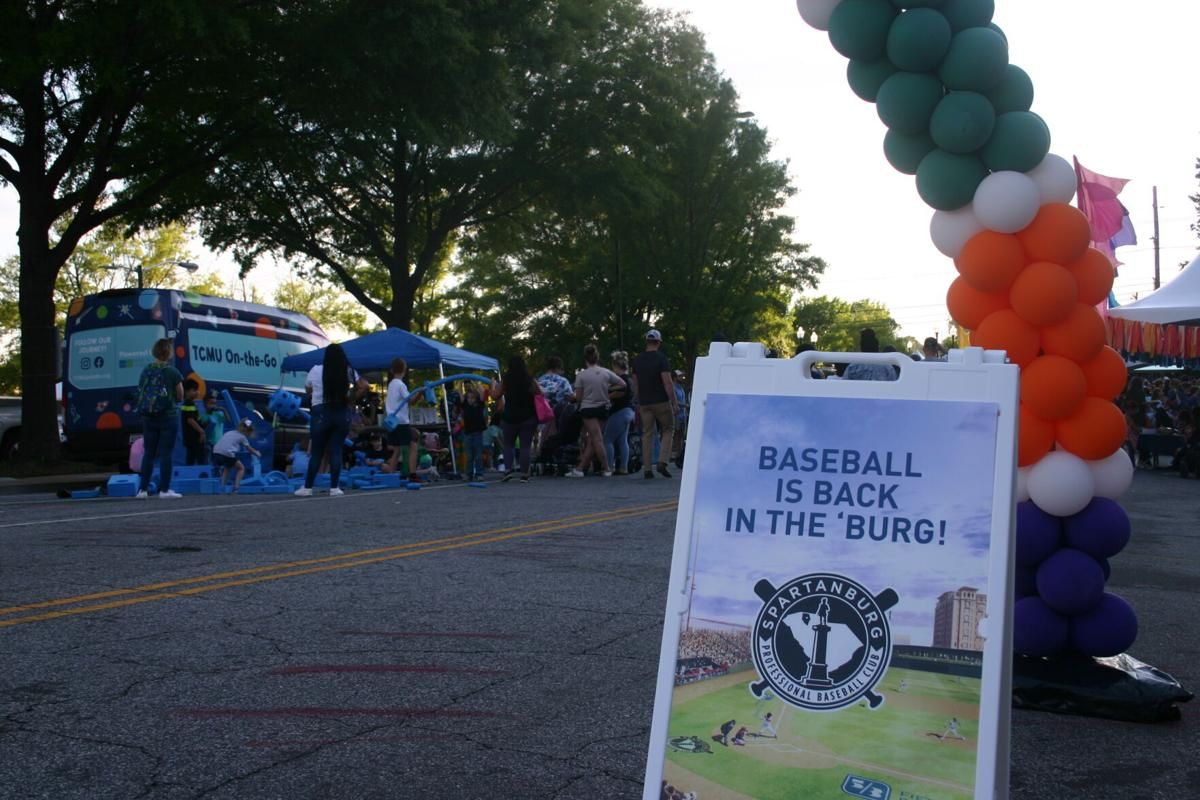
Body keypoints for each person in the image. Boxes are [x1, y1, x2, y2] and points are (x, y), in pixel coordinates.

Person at [295, 342, 366, 497]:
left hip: (320, 413)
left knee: (317, 452)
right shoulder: (347, 370)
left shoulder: (315, 370)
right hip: (341, 412)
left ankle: (307, 488)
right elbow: (363, 386)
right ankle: (334, 488)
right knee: (336, 450)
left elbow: (308, 390)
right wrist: (350, 398)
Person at [134, 338, 185, 499]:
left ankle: (142, 490)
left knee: (148, 453)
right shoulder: (172, 372)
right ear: (168, 352)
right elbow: (180, 394)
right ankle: (164, 490)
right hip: (167, 416)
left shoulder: (146, 370)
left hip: (148, 417)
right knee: (165, 453)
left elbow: (140, 390)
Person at [566, 344, 625, 478]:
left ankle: (606, 467)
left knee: (596, 439)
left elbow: (579, 397)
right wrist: (608, 389)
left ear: (585, 359)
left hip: (588, 408)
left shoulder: (581, 375)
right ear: (597, 357)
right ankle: (580, 468)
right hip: (603, 408)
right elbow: (622, 384)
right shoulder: (606, 372)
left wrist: (574, 398)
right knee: (594, 440)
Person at [631, 329, 679, 479]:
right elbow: (667, 382)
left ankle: (647, 468)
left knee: (647, 434)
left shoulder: (637, 360)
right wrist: (674, 402)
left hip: (645, 403)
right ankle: (662, 461)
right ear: (658, 342)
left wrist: (637, 400)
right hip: (661, 401)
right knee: (668, 429)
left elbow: (635, 384)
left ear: (647, 341)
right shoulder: (661, 359)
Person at [491, 356, 543, 483]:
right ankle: (524, 474)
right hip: (528, 417)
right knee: (525, 446)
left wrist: (493, 385)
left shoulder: (506, 380)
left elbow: (495, 395)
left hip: (510, 417)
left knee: (508, 445)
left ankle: (508, 470)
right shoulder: (529, 379)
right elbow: (540, 392)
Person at [383, 357, 419, 480]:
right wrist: (420, 393)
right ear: (405, 369)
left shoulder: (391, 384)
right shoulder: (401, 385)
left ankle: (391, 473)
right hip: (401, 421)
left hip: (392, 421)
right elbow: (411, 401)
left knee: (397, 448)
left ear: (392, 370)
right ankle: (412, 474)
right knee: (413, 446)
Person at [602, 351, 635, 476]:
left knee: (607, 440)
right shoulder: (629, 379)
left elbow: (619, 392)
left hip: (619, 412)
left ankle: (609, 466)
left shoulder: (620, 380)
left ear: (615, 366)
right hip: (629, 411)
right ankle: (623, 467)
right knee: (622, 440)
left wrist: (607, 394)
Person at [212, 419, 262, 493]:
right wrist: (257, 453)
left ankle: (222, 487)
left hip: (216, 452)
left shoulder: (230, 432)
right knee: (241, 468)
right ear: (247, 432)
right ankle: (236, 488)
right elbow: (249, 449)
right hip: (227, 453)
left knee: (227, 467)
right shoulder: (242, 437)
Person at [461, 385, 488, 481]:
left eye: (472, 398)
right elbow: (461, 394)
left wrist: (476, 385)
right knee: (469, 455)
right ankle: (469, 474)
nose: (470, 400)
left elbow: (482, 392)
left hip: (478, 433)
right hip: (467, 433)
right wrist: (461, 383)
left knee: (478, 455)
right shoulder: (465, 405)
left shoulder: (480, 404)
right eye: (468, 398)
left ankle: (479, 473)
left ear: (476, 398)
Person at [180, 380, 207, 465]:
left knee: (191, 457)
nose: (197, 392)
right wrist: (201, 431)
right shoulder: (189, 403)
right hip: (193, 437)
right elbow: (190, 420)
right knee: (200, 457)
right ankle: (203, 476)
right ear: (187, 391)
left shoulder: (190, 403)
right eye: (194, 390)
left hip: (190, 437)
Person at [203, 393, 228, 463]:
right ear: (205, 404)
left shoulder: (219, 414)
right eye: (210, 403)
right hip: (209, 443)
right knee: (207, 460)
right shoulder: (204, 416)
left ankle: (219, 471)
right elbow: (204, 430)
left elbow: (228, 420)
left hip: (219, 443)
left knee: (219, 462)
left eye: (214, 403)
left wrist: (223, 409)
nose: (213, 405)